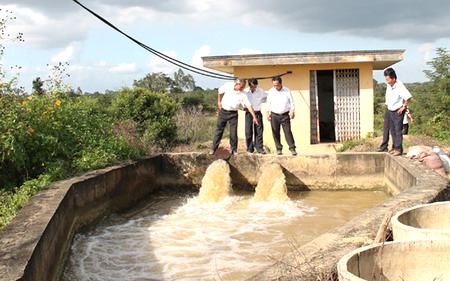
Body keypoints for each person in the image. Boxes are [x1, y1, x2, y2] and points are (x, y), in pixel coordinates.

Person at [209, 78, 259, 155]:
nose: (242, 89)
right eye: (241, 87)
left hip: (233, 114)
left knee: (233, 132)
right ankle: (213, 148)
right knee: (219, 131)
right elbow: (219, 92)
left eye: (243, 87)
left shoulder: (243, 94)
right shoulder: (228, 85)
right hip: (223, 111)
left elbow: (249, 105)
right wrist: (219, 101)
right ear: (237, 84)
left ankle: (234, 149)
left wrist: (254, 117)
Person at [376, 68, 412, 156]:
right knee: (390, 129)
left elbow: (408, 97)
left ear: (393, 79)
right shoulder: (389, 85)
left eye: (388, 80)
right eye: (386, 79)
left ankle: (398, 149)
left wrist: (403, 107)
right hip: (390, 110)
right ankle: (390, 147)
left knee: (397, 130)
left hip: (397, 111)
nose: (387, 81)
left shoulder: (399, 86)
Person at [266, 76, 297, 156]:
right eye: (274, 85)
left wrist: (292, 111)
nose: (275, 87)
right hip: (274, 115)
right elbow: (268, 103)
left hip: (285, 115)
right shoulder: (271, 91)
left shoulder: (287, 90)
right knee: (275, 131)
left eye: (277, 85)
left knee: (287, 131)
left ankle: (292, 148)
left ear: (280, 83)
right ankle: (279, 148)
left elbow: (291, 101)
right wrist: (267, 113)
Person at [244, 78, 268, 154]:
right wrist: (243, 108)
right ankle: (250, 148)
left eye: (255, 87)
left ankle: (259, 148)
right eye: (252, 87)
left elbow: (268, 97)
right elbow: (240, 101)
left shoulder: (260, 91)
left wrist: (264, 102)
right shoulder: (245, 92)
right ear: (249, 85)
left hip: (257, 113)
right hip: (249, 114)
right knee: (248, 131)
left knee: (259, 131)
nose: (253, 89)